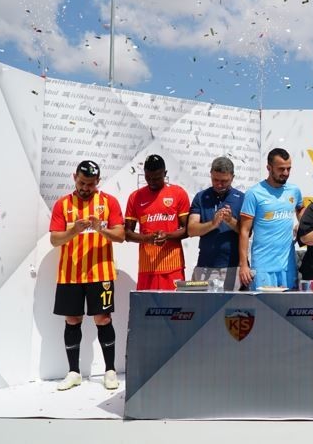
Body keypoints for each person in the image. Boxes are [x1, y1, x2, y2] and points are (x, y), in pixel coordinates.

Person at [49, 160, 125, 391]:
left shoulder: (108, 202)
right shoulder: (62, 204)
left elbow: (120, 236)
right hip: (70, 274)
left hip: (100, 274)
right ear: (75, 177)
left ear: (97, 182)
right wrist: (73, 230)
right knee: (72, 320)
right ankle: (73, 372)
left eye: (90, 184)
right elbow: (55, 240)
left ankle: (110, 371)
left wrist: (101, 228)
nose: (85, 188)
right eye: (82, 183)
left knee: (103, 320)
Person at [238, 148, 303, 289]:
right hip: (263, 266)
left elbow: (300, 209)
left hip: (288, 265)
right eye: (281, 169)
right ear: (269, 168)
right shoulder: (254, 193)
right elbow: (244, 231)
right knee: (263, 303)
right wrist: (243, 265)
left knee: (288, 302)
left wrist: (302, 223)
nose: (286, 173)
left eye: (288, 169)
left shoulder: (294, 191)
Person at [125, 155, 190, 290]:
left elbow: (188, 230)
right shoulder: (135, 197)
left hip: (173, 266)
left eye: (157, 178)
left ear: (165, 173)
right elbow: (127, 234)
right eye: (148, 178)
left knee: (173, 304)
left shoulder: (178, 193)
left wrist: (167, 236)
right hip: (147, 267)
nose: (152, 182)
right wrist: (147, 239)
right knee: (146, 304)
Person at [188, 156, 244, 290]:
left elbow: (247, 232)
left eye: (224, 181)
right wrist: (213, 223)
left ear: (232, 177)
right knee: (202, 304)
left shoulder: (242, 198)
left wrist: (230, 221)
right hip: (205, 266)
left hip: (233, 267)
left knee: (234, 304)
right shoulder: (201, 197)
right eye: (215, 180)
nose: (219, 185)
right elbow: (191, 230)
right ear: (211, 175)